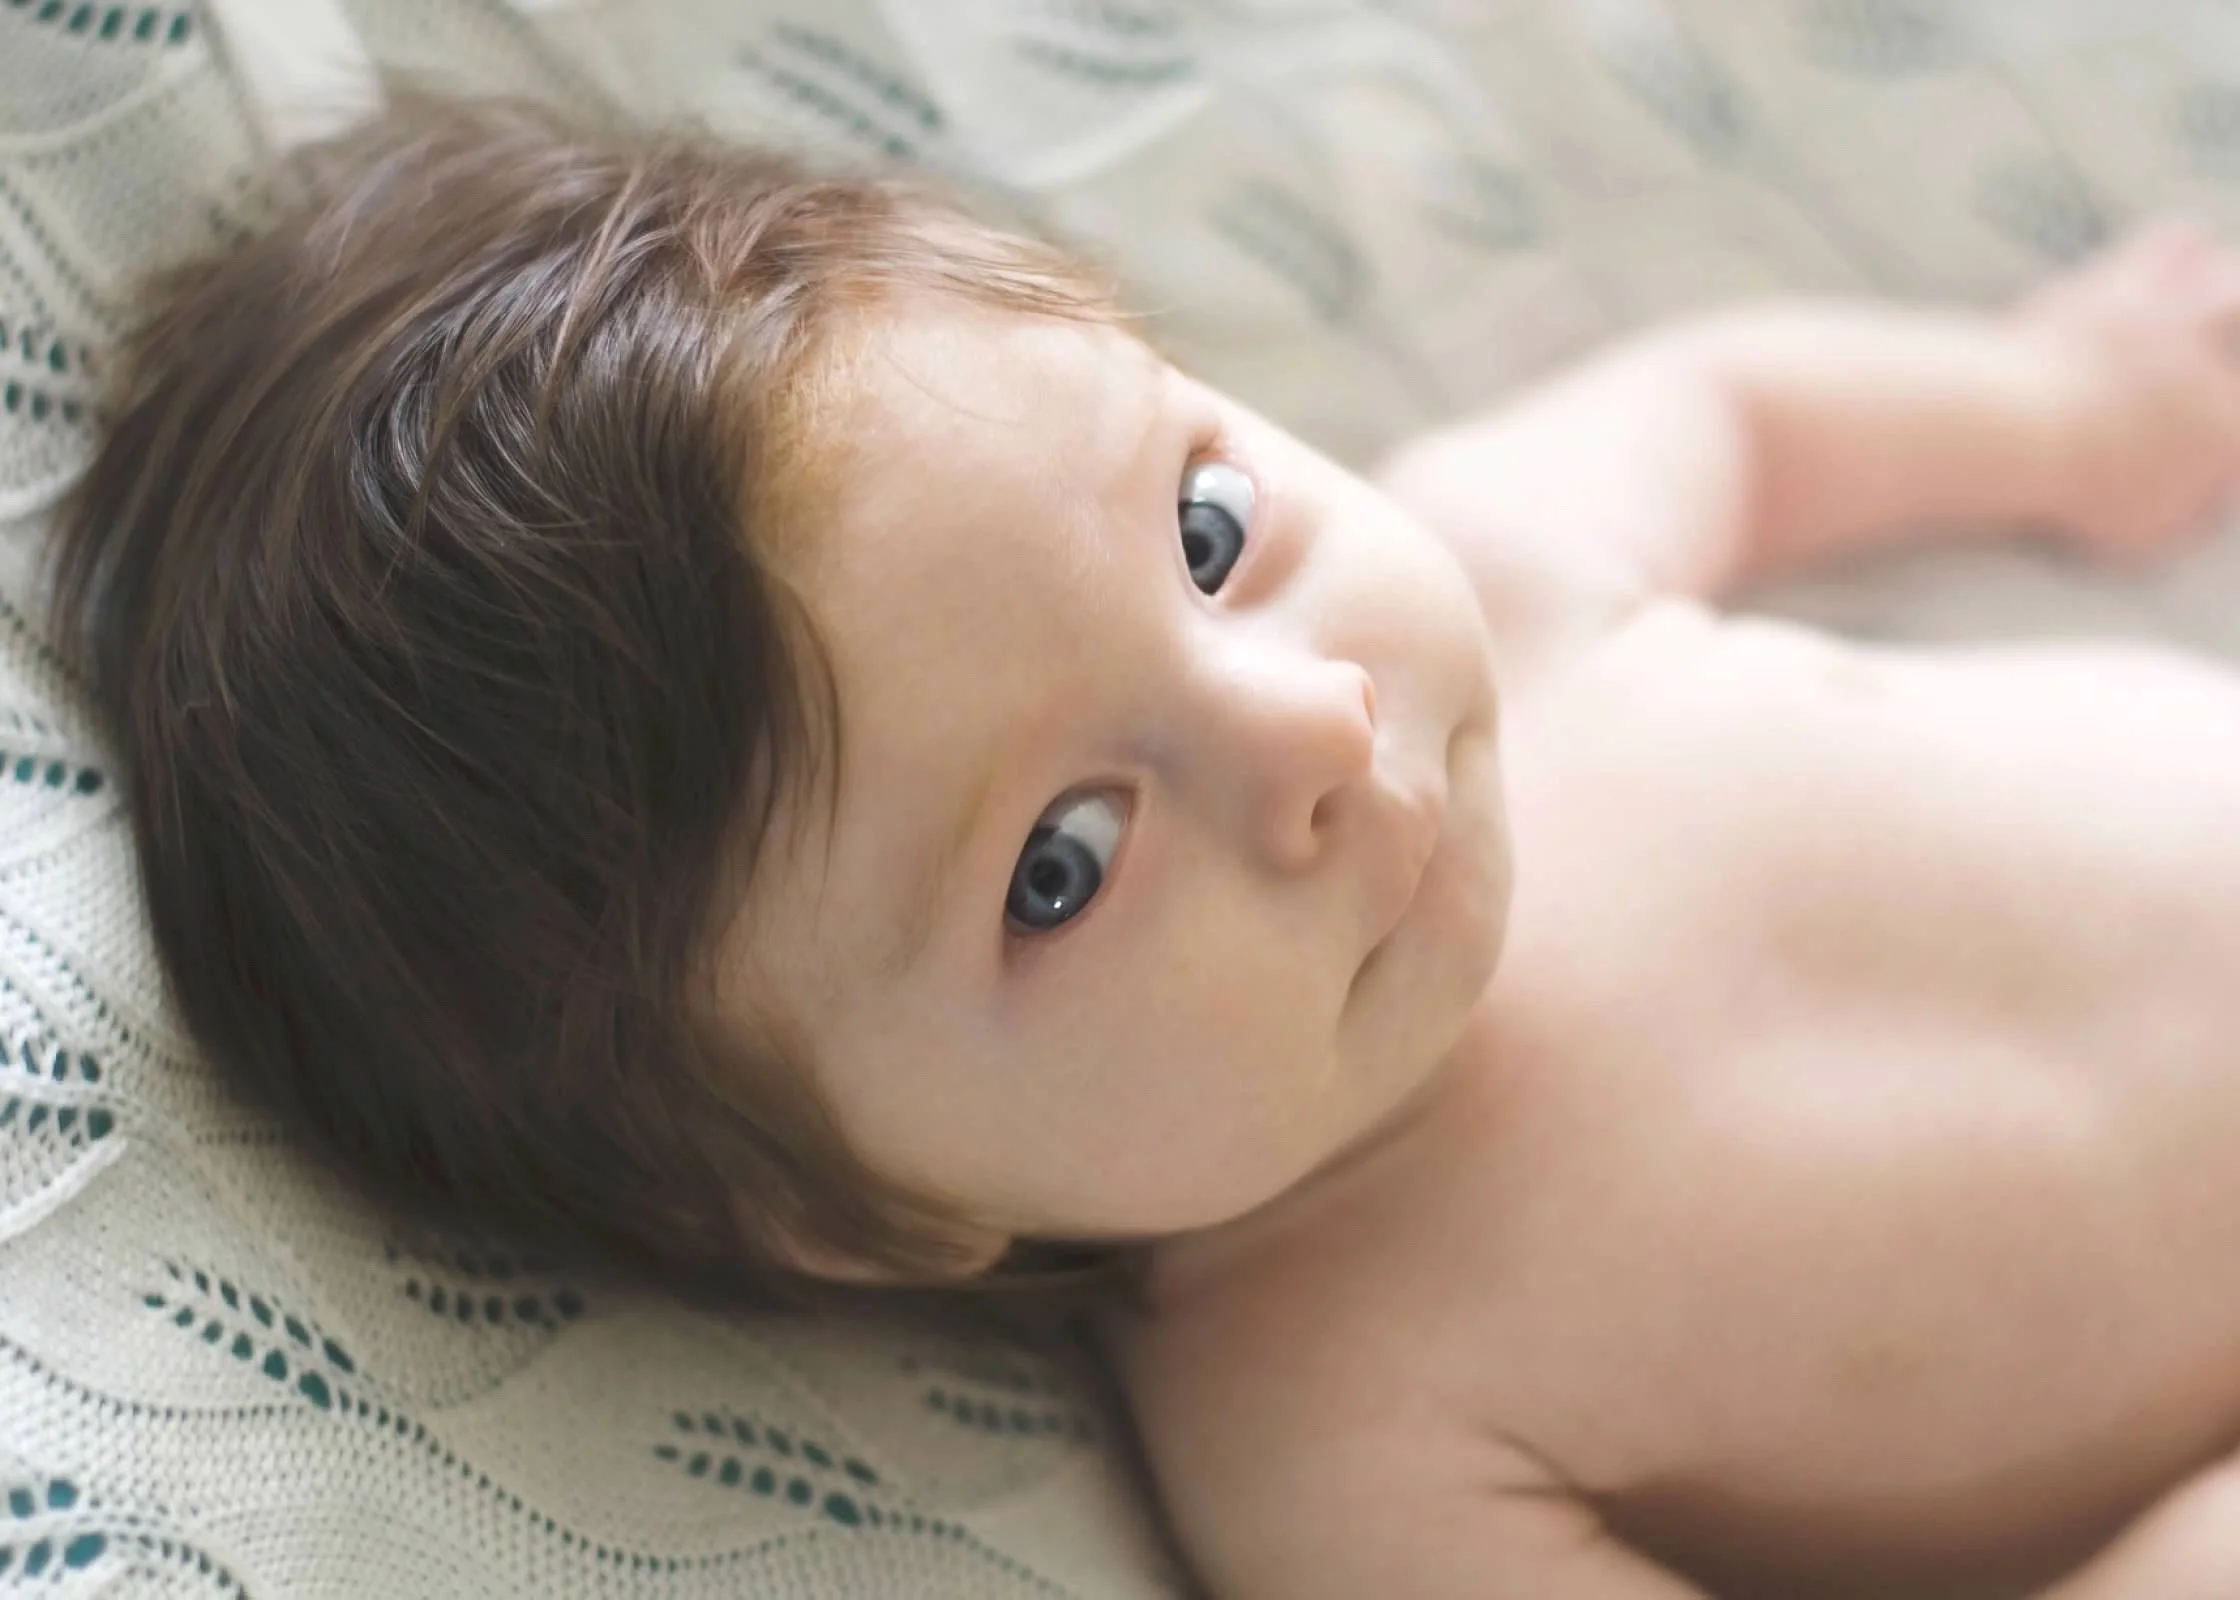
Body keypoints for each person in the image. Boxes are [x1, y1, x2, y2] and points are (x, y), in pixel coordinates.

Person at [48, 98, 2240, 1596]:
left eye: (1202, 528)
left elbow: (1731, 414)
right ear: (849, 1210)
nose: (1303, 724)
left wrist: (2072, 415)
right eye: (1060, 865)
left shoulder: (1521, 568)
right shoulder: (1339, 1433)